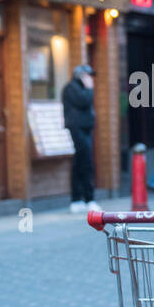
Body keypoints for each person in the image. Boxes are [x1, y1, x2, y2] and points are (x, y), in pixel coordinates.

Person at [62, 65, 100, 213]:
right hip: (77, 129)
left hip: (85, 129)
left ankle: (78, 199)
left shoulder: (79, 88)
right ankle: (89, 198)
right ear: (80, 76)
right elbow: (83, 101)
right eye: (87, 75)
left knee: (80, 163)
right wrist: (89, 88)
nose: (90, 78)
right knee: (86, 162)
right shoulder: (71, 88)